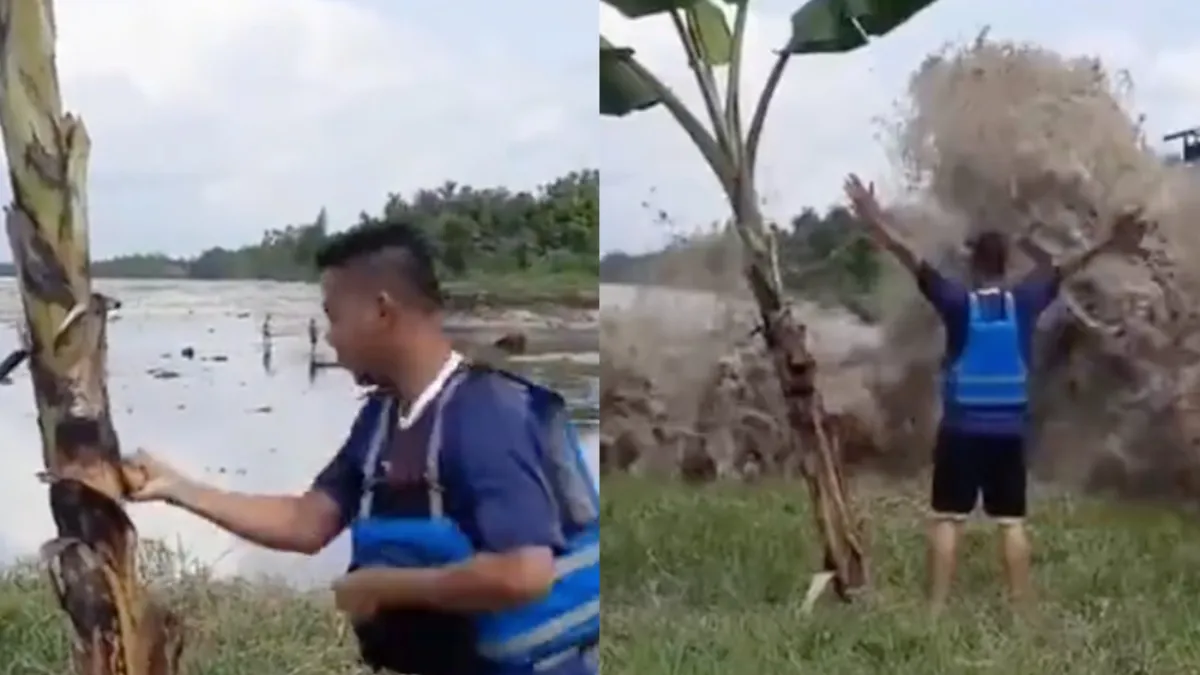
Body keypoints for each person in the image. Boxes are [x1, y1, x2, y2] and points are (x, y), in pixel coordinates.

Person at [127, 221, 600, 675]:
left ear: (382, 311)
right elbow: (306, 522)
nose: (329, 336)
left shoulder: (487, 414)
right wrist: (178, 488)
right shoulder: (381, 417)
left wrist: (385, 587)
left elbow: (523, 574)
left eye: (334, 317)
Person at [842, 174, 1144, 614]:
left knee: (948, 519)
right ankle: (1022, 612)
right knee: (1011, 523)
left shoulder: (957, 304)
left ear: (972, 264)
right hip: (1008, 434)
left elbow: (913, 259)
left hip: (961, 432)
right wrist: (1109, 241)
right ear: (1006, 265)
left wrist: (876, 222)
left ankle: (935, 611)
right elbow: (1067, 267)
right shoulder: (1023, 302)